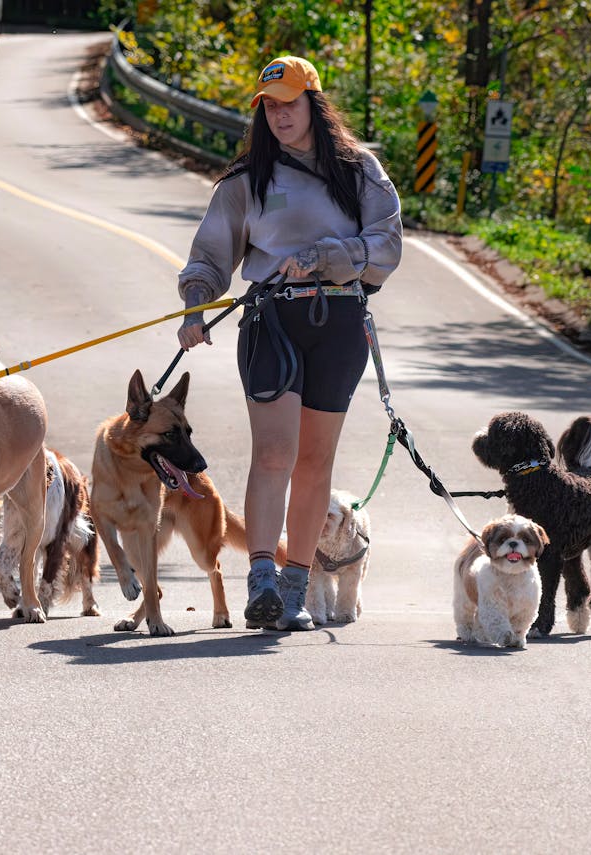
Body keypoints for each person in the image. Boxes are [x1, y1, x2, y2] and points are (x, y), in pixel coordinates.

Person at [175, 56, 402, 631]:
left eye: (290, 104)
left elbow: (389, 243)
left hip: (341, 321)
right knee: (274, 453)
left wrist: (332, 256)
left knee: (314, 460)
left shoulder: (359, 170)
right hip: (271, 322)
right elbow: (209, 255)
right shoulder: (246, 180)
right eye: (270, 107)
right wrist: (196, 307)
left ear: (315, 105)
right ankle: (262, 583)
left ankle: (297, 588)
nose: (280, 115)